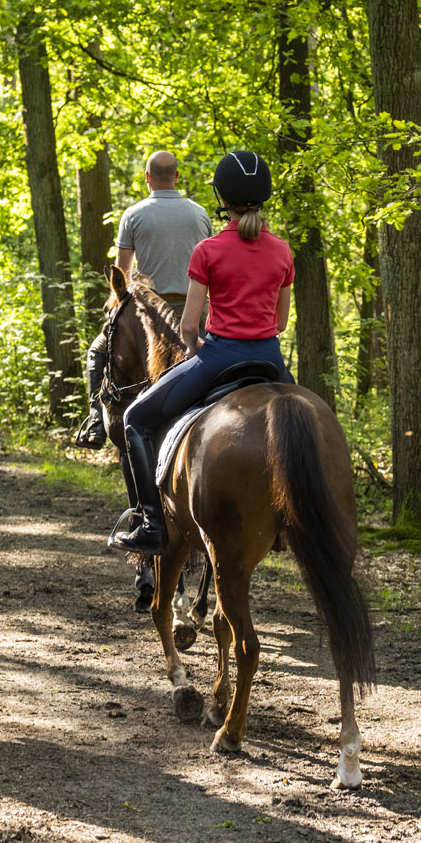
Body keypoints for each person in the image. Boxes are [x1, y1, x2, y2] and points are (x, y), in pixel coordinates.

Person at [109, 150, 294, 554]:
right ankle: (293, 520)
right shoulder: (281, 251)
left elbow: (190, 326)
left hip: (219, 357)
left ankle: (152, 524)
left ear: (222, 197)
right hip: (272, 361)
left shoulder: (208, 251)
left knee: (135, 418)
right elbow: (280, 323)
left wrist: (196, 351)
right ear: (263, 197)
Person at [74, 150, 212, 448]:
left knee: (97, 352)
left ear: (147, 178)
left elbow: (122, 277)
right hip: (195, 313)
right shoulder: (199, 213)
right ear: (177, 178)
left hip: (147, 320)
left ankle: (96, 421)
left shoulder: (134, 215)